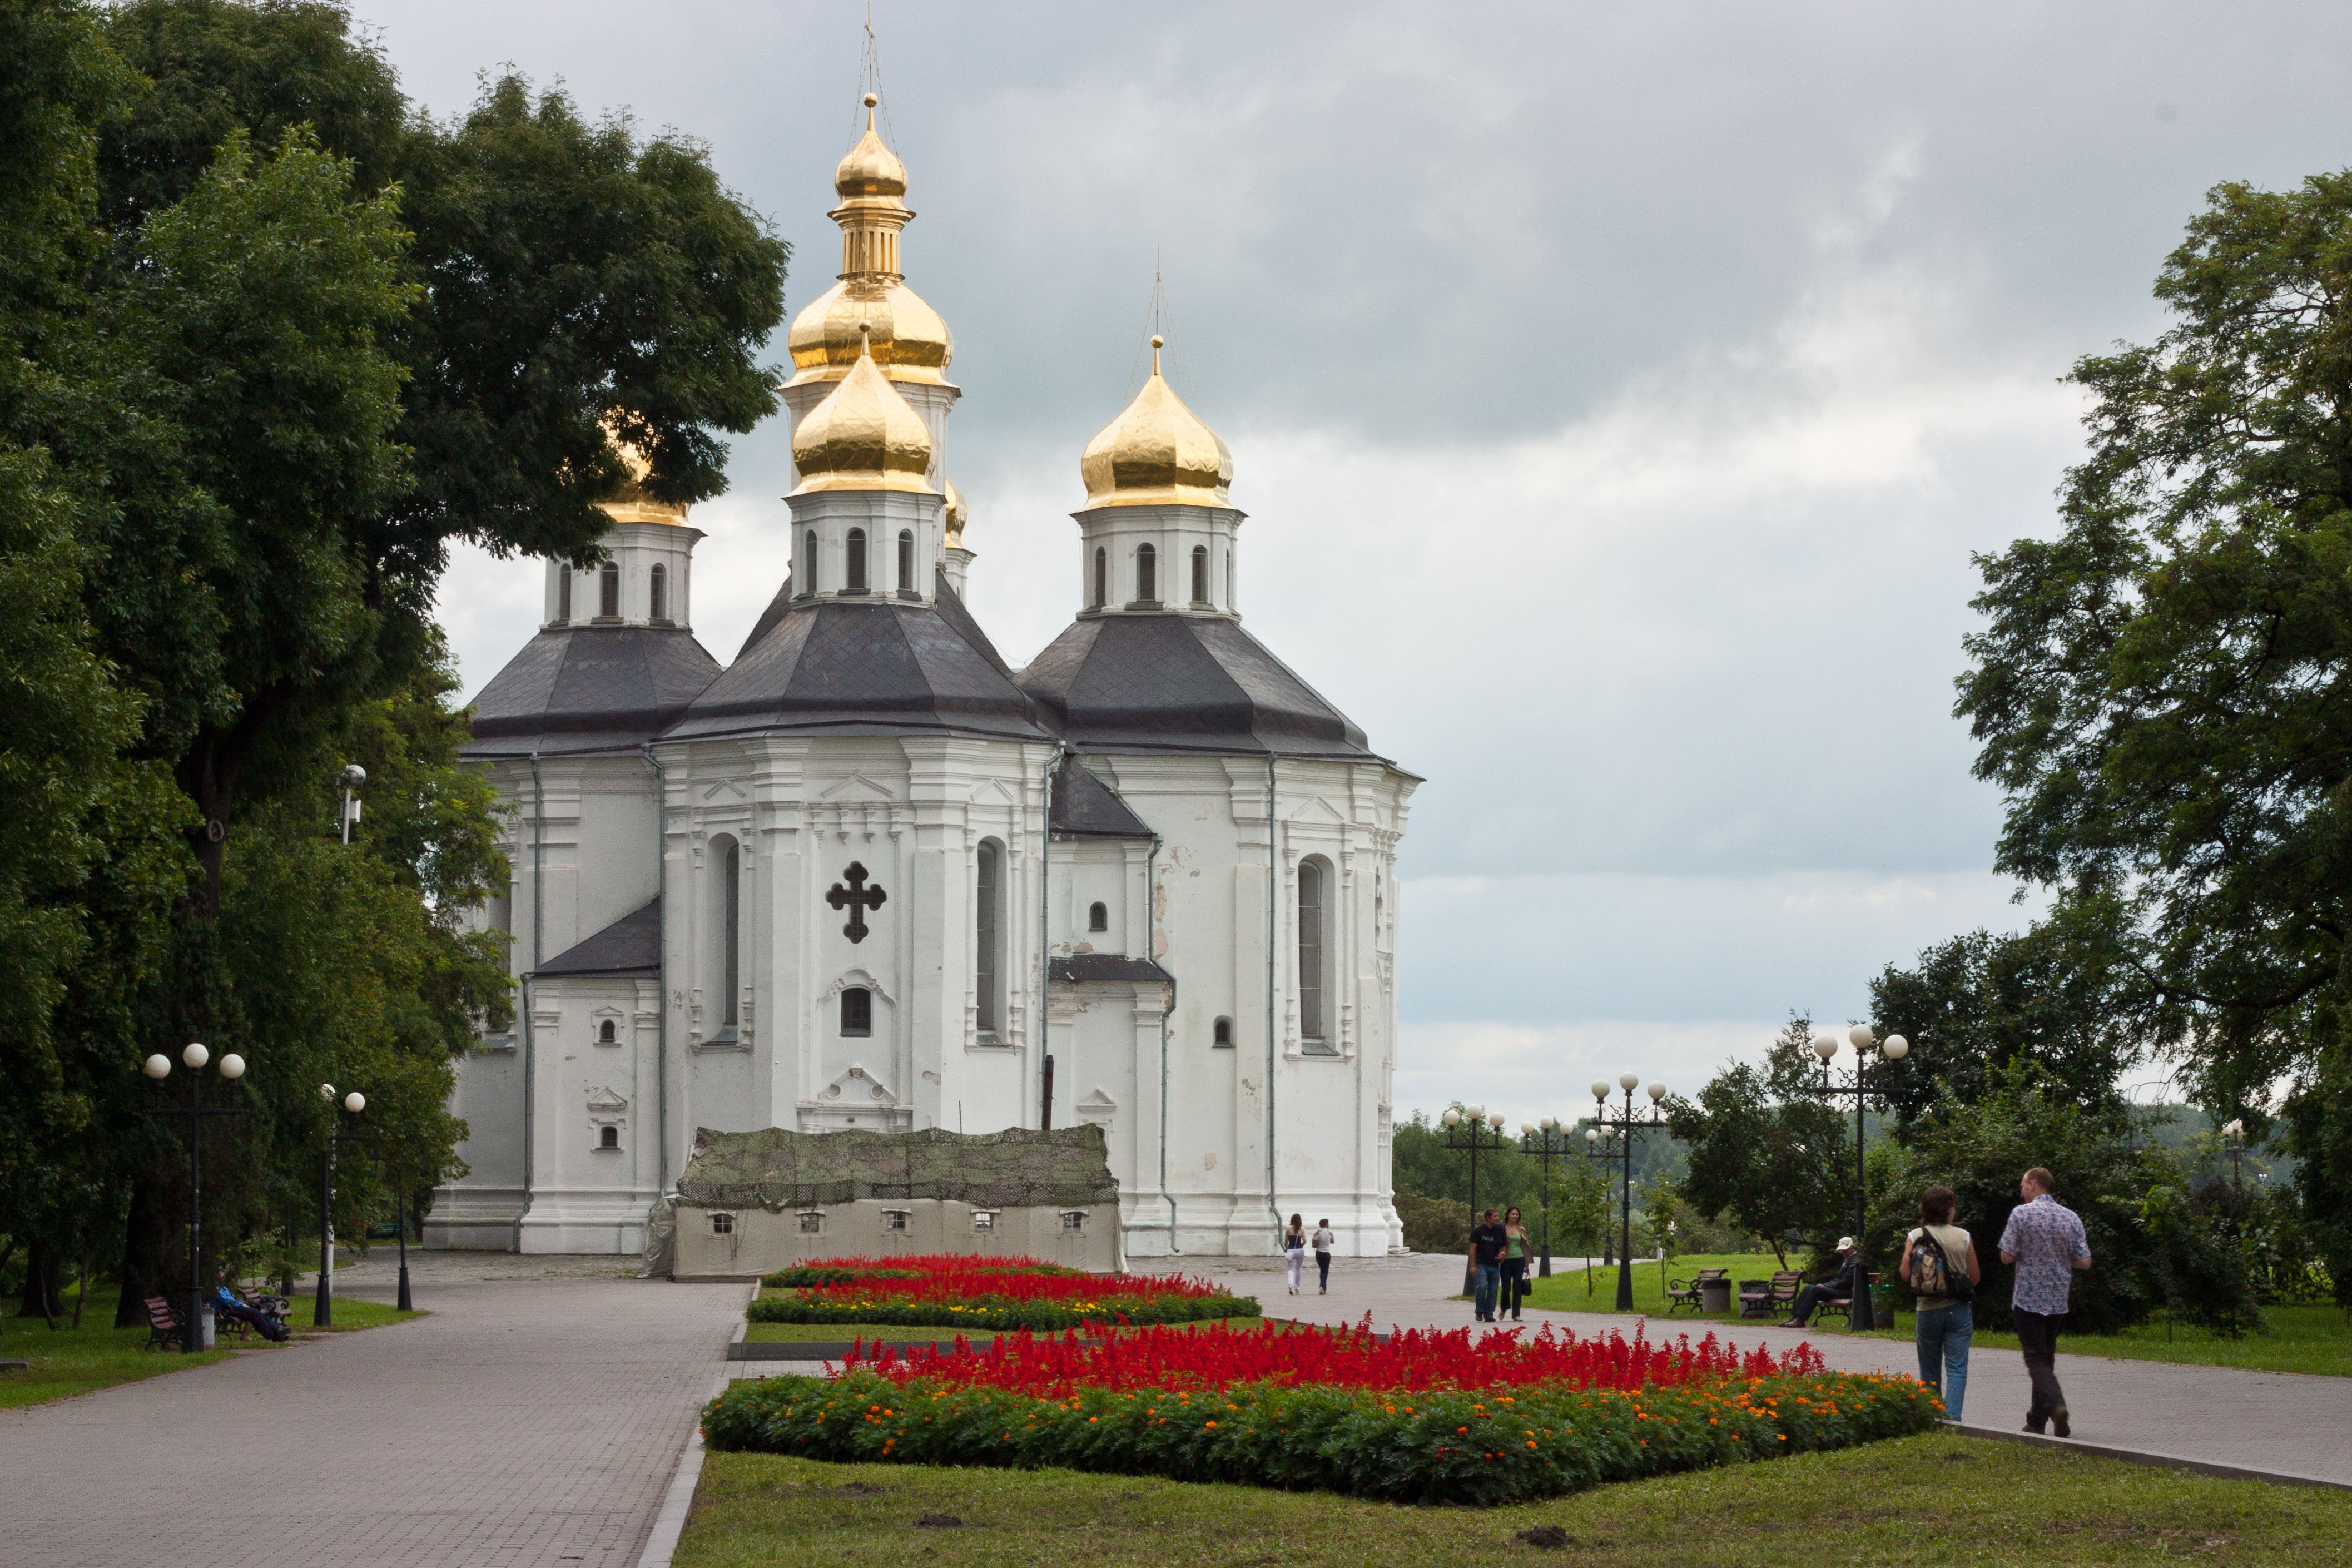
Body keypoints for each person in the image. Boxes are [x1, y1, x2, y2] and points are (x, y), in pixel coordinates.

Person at [1998, 1166, 2092, 1437]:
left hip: (2029, 1298)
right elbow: (2084, 1262)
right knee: (2046, 1358)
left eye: (2022, 1184)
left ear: (2033, 1185)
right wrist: (2059, 1257)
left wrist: (2028, 1253)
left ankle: (2056, 1406)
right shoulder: (2070, 1217)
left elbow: (2006, 1256)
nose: (2020, 1190)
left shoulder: (2021, 1214)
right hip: (2058, 1299)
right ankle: (2036, 1421)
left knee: (2035, 1358)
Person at [1902, 1185, 1980, 1423]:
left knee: (1929, 1369)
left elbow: (1906, 1274)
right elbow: (1975, 1277)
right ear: (1950, 1209)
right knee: (1957, 1368)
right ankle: (1953, 1418)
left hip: (1927, 1310)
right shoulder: (1964, 1236)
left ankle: (1932, 1416)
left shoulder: (1916, 1236)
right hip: (1958, 1310)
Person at [1780, 1237, 1862, 1327]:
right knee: (1808, 1287)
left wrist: (1826, 1286)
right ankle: (1794, 1317)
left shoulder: (1855, 1261)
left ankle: (1801, 1319)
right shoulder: (1848, 1259)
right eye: (1841, 1250)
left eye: (1844, 1250)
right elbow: (1838, 1278)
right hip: (1839, 1289)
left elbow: (1845, 1282)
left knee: (1816, 1289)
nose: (1842, 1252)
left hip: (1846, 1292)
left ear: (1852, 1248)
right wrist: (1826, 1285)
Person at [1467, 1207, 1506, 1322]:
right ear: (1487, 1218)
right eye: (1495, 1216)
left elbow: (1503, 1246)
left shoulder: (1499, 1231)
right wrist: (1472, 1266)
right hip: (1481, 1264)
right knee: (1482, 1286)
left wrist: (1503, 1253)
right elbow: (1472, 1249)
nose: (1498, 1218)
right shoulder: (1478, 1231)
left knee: (1493, 1290)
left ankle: (1489, 1314)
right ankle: (1479, 1311)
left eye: (1498, 1216)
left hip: (1495, 1265)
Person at [1500, 1205, 1531, 1322]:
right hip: (1506, 1261)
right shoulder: (1502, 1228)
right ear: (1508, 1214)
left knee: (1517, 1287)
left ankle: (1516, 1314)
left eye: (1517, 1214)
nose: (1515, 1216)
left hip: (1519, 1259)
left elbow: (1525, 1245)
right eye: (1513, 1214)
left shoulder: (1521, 1229)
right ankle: (1504, 1308)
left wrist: (1526, 1264)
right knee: (1506, 1287)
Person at [1283, 1213, 1307, 1294]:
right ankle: (1297, 1288)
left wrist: (1286, 1248)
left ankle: (1291, 1284)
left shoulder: (1288, 1229)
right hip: (1300, 1250)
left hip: (1291, 1250)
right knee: (1299, 1268)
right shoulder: (1302, 1229)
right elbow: (1305, 1241)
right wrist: (1301, 1245)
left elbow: (1286, 1241)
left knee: (1291, 1269)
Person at [1312, 1218, 1337, 1294]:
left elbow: (1314, 1242)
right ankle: (1322, 1286)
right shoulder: (1330, 1233)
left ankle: (1323, 1287)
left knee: (1322, 1270)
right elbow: (1333, 1241)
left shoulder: (1317, 1233)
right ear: (1326, 1225)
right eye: (1328, 1224)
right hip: (1326, 1253)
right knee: (1325, 1271)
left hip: (1319, 1253)